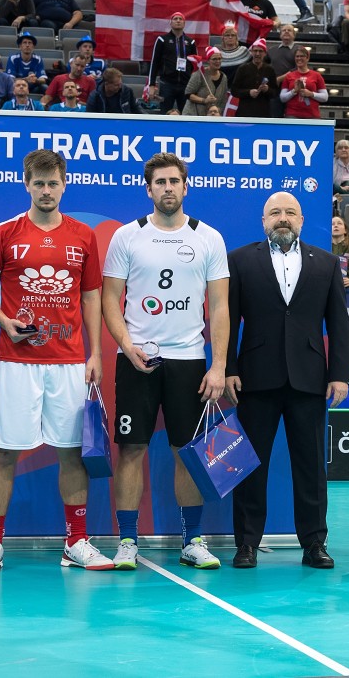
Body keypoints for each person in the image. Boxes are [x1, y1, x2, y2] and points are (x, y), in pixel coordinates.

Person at [0, 149, 109, 573]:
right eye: (39, 183)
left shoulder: (83, 236)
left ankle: (77, 542)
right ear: (26, 184)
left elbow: (91, 297)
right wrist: (4, 321)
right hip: (17, 362)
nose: (46, 190)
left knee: (71, 452)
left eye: (53, 183)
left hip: (68, 362)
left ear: (64, 184)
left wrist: (96, 352)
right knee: (5, 452)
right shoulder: (4, 232)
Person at [101, 152, 230, 571]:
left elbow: (220, 306)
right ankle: (126, 542)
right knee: (131, 450)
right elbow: (109, 299)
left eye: (175, 181)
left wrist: (218, 365)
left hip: (189, 362)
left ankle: (192, 540)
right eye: (160, 182)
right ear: (148, 188)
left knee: (187, 452)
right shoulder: (127, 236)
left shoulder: (208, 237)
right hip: (138, 359)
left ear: (185, 186)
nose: (168, 188)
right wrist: (126, 344)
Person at [225, 192, 349, 569]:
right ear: (263, 221)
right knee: (250, 466)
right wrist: (228, 368)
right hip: (254, 378)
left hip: (309, 379)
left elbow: (339, 324)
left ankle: (314, 543)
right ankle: (246, 543)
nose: (283, 218)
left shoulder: (326, 263)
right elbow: (227, 321)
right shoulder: (240, 261)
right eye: (275, 212)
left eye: (290, 212)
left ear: (302, 219)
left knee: (311, 466)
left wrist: (340, 375)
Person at [147, 12, 198, 114]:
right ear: (170, 23)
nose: (178, 21)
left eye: (180, 19)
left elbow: (195, 66)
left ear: (184, 23)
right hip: (167, 84)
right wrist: (151, 85)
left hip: (185, 85)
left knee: (186, 115)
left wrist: (193, 84)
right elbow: (154, 63)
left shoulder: (191, 42)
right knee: (165, 115)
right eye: (175, 19)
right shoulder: (162, 40)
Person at [230, 38, 277, 118]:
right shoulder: (243, 68)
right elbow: (234, 90)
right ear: (251, 52)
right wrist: (248, 92)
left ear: (265, 53)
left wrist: (267, 90)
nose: (257, 54)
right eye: (255, 51)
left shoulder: (270, 70)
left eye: (260, 51)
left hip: (263, 113)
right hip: (244, 112)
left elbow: (275, 92)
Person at [280, 46, 327, 119]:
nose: (299, 58)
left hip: (312, 115)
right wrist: (293, 91)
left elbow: (325, 97)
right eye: (297, 56)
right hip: (292, 114)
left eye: (302, 56)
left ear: (307, 58)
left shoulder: (316, 75)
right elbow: (282, 98)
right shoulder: (289, 76)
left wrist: (311, 94)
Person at [182, 46, 228, 117]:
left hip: (212, 117)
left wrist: (218, 113)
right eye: (214, 59)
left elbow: (223, 99)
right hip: (193, 115)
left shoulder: (224, 77)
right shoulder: (199, 74)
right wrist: (204, 100)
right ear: (208, 60)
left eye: (219, 59)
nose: (217, 61)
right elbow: (188, 94)